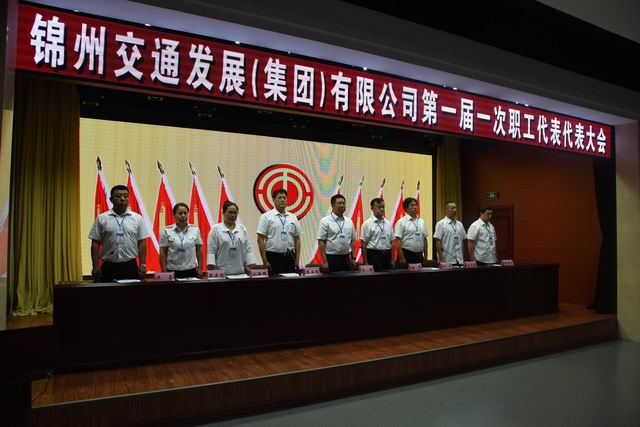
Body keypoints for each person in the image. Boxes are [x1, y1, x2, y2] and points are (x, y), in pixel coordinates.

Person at [89, 185, 149, 282]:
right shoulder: (102, 218)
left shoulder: (137, 218)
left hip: (130, 266)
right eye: (118, 196)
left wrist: (143, 265)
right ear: (111, 199)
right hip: (108, 266)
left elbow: (142, 242)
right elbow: (95, 243)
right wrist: (95, 265)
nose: (122, 199)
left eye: (125, 196)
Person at [256, 189, 303, 275]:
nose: (282, 200)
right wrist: (264, 261)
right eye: (279, 198)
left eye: (284, 198)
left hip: (289, 256)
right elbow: (260, 239)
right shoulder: (266, 217)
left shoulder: (293, 217)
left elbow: (297, 239)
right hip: (272, 256)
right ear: (273, 200)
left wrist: (297, 259)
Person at [206, 201, 256, 275]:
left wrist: (250, 266)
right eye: (230, 212)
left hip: (240, 272)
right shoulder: (216, 229)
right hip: (222, 273)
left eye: (235, 213)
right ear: (223, 213)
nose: (233, 215)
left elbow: (248, 249)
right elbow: (211, 251)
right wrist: (212, 270)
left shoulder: (242, 229)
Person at [159, 203, 203, 278]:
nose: (183, 216)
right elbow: (163, 252)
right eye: (180, 213)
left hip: (191, 270)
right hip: (172, 270)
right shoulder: (166, 231)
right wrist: (164, 271)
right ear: (174, 215)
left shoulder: (195, 230)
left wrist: (200, 268)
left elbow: (199, 249)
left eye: (185, 213)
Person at [317, 194, 356, 272]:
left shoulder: (349, 221)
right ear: (332, 205)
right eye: (339, 203)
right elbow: (321, 241)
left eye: (343, 203)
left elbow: (352, 240)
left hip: (346, 258)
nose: (342, 205)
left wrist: (353, 257)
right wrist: (325, 261)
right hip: (331, 258)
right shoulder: (325, 221)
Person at [361, 198, 395, 272]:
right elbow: (364, 244)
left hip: (387, 254)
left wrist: (392, 259)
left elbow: (392, 242)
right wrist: (365, 262)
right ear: (372, 208)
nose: (382, 209)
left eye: (383, 207)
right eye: (379, 207)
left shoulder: (388, 223)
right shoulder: (367, 224)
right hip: (373, 255)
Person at [394, 197, 428, 266]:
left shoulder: (422, 221)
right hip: (406, 254)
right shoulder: (401, 222)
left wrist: (425, 255)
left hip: (419, 255)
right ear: (406, 208)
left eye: (416, 205)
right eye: (412, 205)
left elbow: (424, 239)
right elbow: (398, 241)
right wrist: (401, 257)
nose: (415, 207)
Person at [433, 201, 467, 265]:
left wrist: (463, 256)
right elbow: (438, 241)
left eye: (455, 208)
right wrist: (441, 257)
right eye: (452, 208)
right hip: (447, 260)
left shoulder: (460, 224)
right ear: (446, 210)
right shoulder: (441, 224)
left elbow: (462, 241)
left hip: (460, 260)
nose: (455, 210)